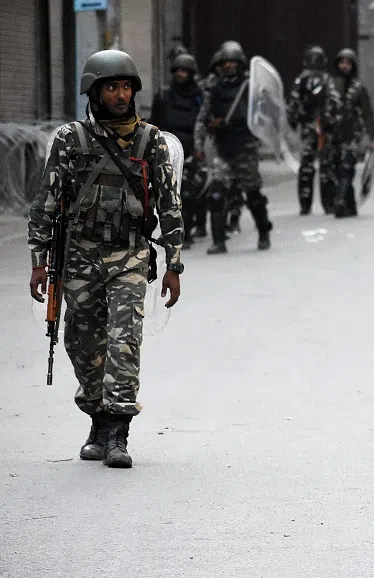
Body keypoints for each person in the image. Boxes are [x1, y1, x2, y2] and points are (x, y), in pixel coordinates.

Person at [28, 50, 184, 469]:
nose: (121, 95)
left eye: (126, 87)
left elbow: (170, 206)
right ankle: (97, 418)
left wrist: (174, 265)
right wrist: (39, 260)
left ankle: (118, 432)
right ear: (94, 92)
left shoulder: (150, 142)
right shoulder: (71, 139)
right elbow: (46, 201)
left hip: (129, 254)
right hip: (79, 256)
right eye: (112, 87)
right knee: (81, 342)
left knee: (124, 339)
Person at [195, 41, 273, 252]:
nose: (229, 66)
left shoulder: (251, 86)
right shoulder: (214, 88)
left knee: (253, 194)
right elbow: (202, 118)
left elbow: (265, 112)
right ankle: (219, 241)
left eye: (233, 62)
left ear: (240, 64)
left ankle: (264, 232)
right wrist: (200, 142)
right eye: (225, 63)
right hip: (223, 147)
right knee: (216, 193)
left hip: (245, 147)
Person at [150, 53, 205, 248]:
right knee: (169, 194)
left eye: (185, 71)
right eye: (178, 71)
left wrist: (201, 147)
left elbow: (204, 122)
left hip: (191, 150)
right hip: (168, 149)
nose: (181, 74)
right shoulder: (164, 96)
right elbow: (154, 122)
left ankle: (188, 230)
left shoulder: (200, 97)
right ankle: (174, 232)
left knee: (189, 193)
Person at [325, 48, 374, 218]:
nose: (344, 66)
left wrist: (371, 136)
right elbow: (323, 109)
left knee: (346, 168)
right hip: (334, 135)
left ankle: (340, 201)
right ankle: (350, 205)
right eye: (342, 62)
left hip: (352, 134)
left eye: (348, 63)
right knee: (336, 169)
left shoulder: (358, 88)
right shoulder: (330, 86)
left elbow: (367, 113)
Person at [288, 45, 334, 215]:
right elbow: (333, 101)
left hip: (309, 126)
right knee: (325, 166)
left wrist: (292, 123)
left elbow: (293, 104)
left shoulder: (301, 80)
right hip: (322, 127)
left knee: (307, 166)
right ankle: (328, 203)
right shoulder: (327, 80)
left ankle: (305, 204)